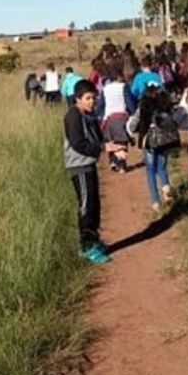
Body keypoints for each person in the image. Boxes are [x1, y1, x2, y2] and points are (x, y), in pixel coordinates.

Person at [64, 79, 111, 264]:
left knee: (94, 203)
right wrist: (101, 149)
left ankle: (94, 240)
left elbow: (97, 138)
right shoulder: (73, 116)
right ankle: (86, 246)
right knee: (86, 206)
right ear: (78, 99)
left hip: (89, 164)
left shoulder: (88, 116)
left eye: (93, 98)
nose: (92, 101)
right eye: (88, 98)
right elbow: (78, 143)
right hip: (79, 166)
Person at [127, 84, 177, 212]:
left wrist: (135, 131)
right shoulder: (165, 109)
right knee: (162, 166)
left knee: (150, 170)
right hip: (165, 141)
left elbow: (132, 126)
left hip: (149, 141)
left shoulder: (142, 109)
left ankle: (155, 201)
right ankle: (166, 187)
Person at [100, 67, 133, 173]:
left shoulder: (105, 89)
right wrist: (133, 113)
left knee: (112, 141)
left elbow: (101, 105)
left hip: (109, 119)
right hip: (122, 117)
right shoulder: (123, 87)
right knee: (123, 141)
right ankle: (122, 165)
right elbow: (129, 103)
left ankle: (113, 160)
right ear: (119, 76)